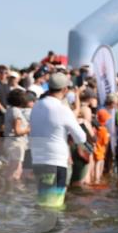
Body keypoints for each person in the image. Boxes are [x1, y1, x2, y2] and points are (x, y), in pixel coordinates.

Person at [28, 73, 88, 208]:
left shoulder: (37, 105)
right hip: (55, 161)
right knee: (53, 205)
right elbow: (81, 137)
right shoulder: (62, 109)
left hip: (38, 160)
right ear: (65, 90)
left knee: (42, 201)